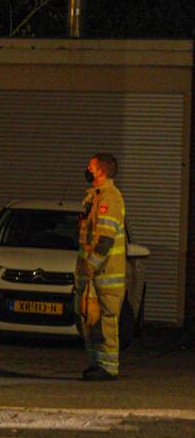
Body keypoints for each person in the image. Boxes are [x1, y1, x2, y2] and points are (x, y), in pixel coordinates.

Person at [75, 153, 126, 381]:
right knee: (89, 322)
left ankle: (108, 368)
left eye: (91, 166)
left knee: (105, 323)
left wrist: (90, 266)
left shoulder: (109, 199)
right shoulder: (94, 198)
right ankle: (96, 365)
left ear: (102, 172)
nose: (87, 169)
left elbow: (105, 241)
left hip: (105, 276)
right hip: (91, 276)